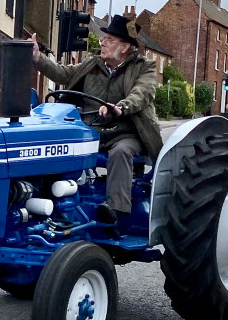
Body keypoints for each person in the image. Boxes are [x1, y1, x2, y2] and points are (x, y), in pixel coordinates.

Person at [30, 14, 163, 224]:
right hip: (93, 130)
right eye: (104, 39)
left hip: (127, 131)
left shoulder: (143, 67)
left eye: (109, 40)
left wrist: (120, 107)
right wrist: (38, 59)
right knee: (56, 145)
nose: (103, 44)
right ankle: (54, 203)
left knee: (120, 152)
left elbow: (142, 93)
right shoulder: (93, 63)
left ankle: (115, 211)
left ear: (125, 47)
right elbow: (64, 73)